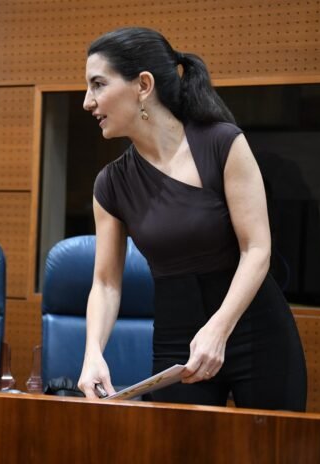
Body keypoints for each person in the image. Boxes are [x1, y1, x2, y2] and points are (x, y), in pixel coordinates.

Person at [77, 27, 307, 411]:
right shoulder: (110, 184)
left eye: (98, 84)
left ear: (143, 85)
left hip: (255, 329)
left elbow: (256, 250)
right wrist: (92, 353)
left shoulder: (222, 143)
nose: (87, 101)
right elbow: (105, 283)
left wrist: (219, 328)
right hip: (176, 338)